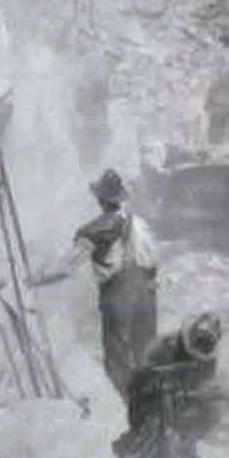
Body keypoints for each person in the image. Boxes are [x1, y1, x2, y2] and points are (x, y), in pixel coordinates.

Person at [75, 170, 158, 399]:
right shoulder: (140, 224)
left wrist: (36, 279)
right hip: (147, 293)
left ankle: (130, 408)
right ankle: (154, 408)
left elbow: (70, 262)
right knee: (146, 355)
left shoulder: (101, 226)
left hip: (120, 293)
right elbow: (153, 261)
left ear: (101, 200)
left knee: (117, 362)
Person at [113, 314, 223, 458]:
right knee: (162, 412)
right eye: (199, 341)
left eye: (206, 344)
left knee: (211, 411)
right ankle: (138, 455)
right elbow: (140, 379)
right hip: (149, 399)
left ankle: (185, 451)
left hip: (181, 400)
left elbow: (204, 385)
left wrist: (205, 394)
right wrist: (167, 387)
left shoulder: (208, 361)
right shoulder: (164, 346)